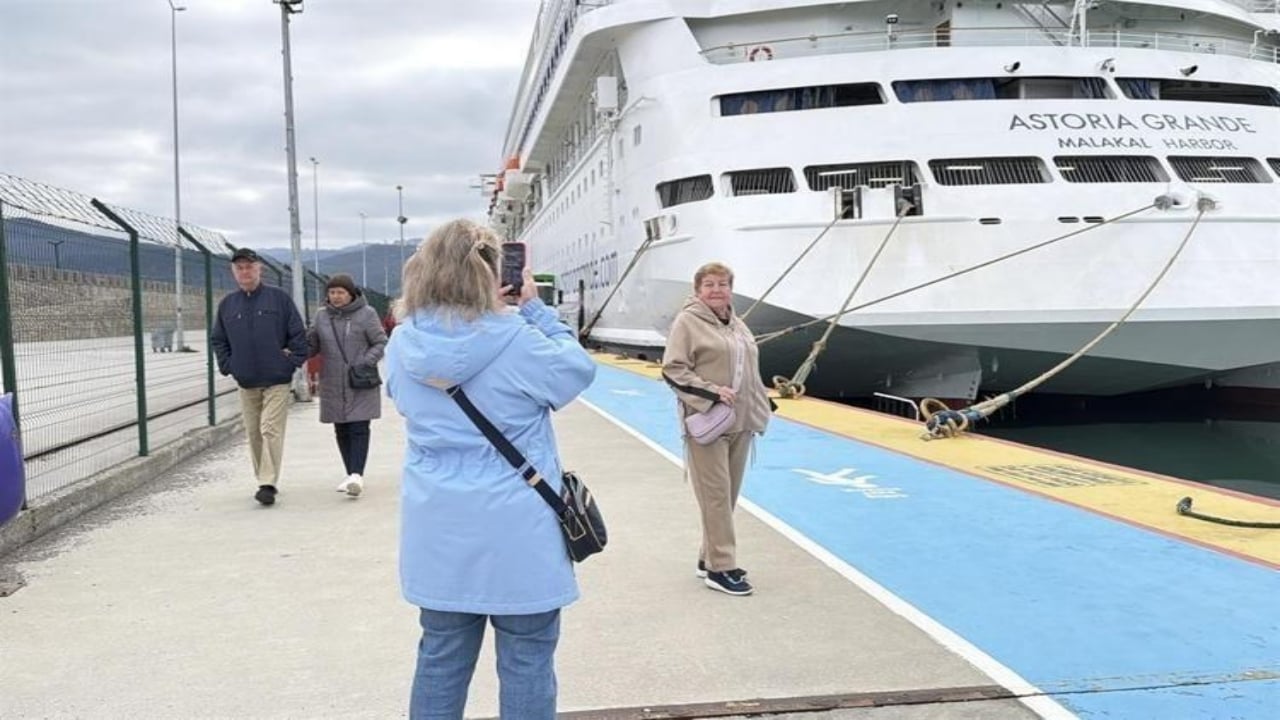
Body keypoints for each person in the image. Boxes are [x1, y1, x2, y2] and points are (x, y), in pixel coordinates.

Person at [385, 219, 595, 719]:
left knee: (439, 660)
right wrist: (536, 310)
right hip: (519, 531)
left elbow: (398, 398)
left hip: (438, 529)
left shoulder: (402, 345)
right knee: (527, 663)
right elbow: (576, 371)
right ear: (493, 271)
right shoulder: (518, 339)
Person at [661, 262, 771, 596]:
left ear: (731, 289)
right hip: (707, 421)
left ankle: (707, 557)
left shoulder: (737, 325)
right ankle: (721, 568)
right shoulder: (688, 322)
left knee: (728, 495)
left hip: (741, 421)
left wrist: (762, 404)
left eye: (722, 284)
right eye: (709, 284)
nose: (716, 290)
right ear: (697, 290)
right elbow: (673, 369)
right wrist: (711, 392)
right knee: (716, 497)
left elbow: (749, 370)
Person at [211, 247, 307, 506]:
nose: (245, 271)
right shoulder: (228, 305)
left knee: (270, 429)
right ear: (234, 272)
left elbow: (298, 335)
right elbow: (219, 340)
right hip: (246, 381)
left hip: (276, 378)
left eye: (249, 267)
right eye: (239, 268)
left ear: (259, 269)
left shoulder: (279, 300)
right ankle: (262, 477)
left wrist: (290, 363)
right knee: (254, 432)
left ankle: (268, 483)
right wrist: (230, 366)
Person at [307, 273, 388, 497]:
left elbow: (381, 341)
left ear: (351, 294)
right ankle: (351, 474)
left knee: (359, 427)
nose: (336, 297)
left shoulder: (367, 314)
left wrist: (365, 361)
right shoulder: (322, 316)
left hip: (359, 379)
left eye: (340, 292)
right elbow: (313, 344)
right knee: (341, 428)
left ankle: (356, 474)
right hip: (332, 380)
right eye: (332, 292)